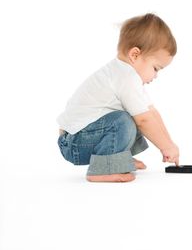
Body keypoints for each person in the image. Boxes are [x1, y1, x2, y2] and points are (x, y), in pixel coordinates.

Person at [57, 13, 179, 182]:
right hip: (74, 143)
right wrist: (166, 147)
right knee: (124, 120)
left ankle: (117, 160)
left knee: (135, 116)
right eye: (156, 68)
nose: (156, 76)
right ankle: (102, 170)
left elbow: (151, 113)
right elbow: (144, 120)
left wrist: (170, 144)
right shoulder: (125, 78)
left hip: (80, 137)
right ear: (135, 55)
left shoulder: (126, 76)